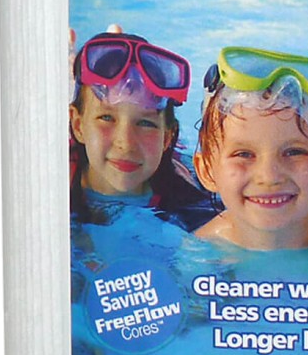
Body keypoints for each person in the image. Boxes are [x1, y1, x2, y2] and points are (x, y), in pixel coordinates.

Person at [192, 47, 308, 256]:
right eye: (244, 154)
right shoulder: (202, 250)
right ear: (207, 171)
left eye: (294, 152)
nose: (269, 177)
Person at [70, 29, 212, 230]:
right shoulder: (54, 186)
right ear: (78, 126)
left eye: (146, 123)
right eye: (107, 118)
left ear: (167, 138)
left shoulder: (192, 207)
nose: (126, 143)